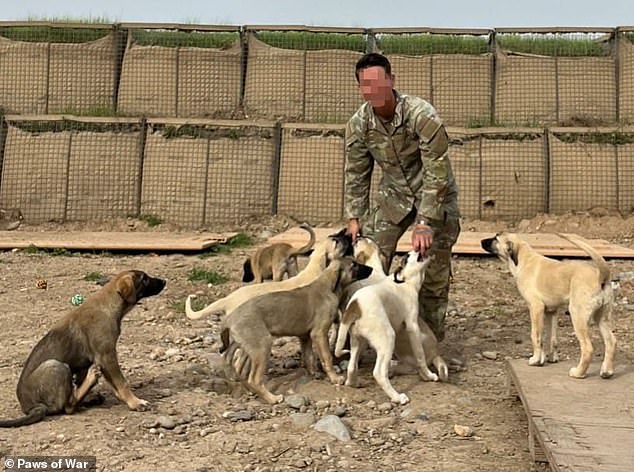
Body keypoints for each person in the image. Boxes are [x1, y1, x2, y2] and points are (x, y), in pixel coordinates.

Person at [344, 52, 460, 342]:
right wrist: (354, 217)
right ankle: (367, 332)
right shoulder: (359, 124)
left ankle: (429, 342)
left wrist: (425, 222)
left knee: (431, 271)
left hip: (434, 197)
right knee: (366, 262)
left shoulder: (422, 115)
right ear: (360, 88)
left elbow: (438, 172)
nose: (373, 90)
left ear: (392, 80)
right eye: (366, 85)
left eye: (378, 82)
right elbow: (357, 172)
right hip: (393, 197)